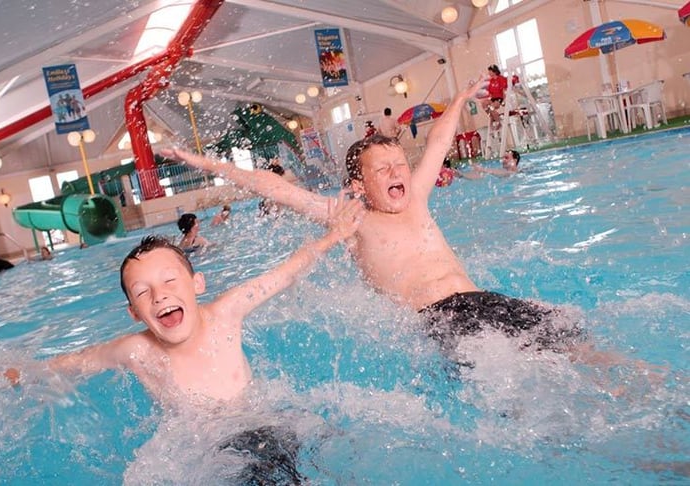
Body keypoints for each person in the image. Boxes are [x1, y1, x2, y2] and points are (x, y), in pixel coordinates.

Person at [161, 80, 652, 370]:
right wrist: (205, 165)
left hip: (486, 299)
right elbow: (275, 190)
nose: (400, 173)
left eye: (400, 164)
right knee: (532, 375)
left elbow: (438, 140)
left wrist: (459, 98)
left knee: (580, 345)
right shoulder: (350, 219)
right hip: (442, 319)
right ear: (359, 184)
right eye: (384, 170)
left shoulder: (415, 199)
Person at [4, 194, 363, 482]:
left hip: (267, 425)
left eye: (170, 282)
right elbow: (78, 361)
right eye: (143, 292)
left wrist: (335, 234)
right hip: (209, 451)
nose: (159, 296)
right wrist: (24, 372)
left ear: (197, 285)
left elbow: (283, 274)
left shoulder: (226, 313)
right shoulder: (137, 350)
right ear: (134, 313)